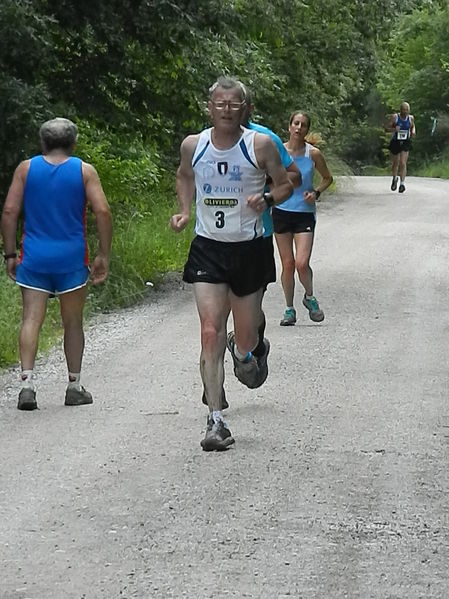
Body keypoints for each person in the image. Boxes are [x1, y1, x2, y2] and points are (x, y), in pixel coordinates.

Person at [170, 76, 293, 451]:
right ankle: (216, 421)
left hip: (249, 250)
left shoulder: (260, 145)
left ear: (245, 108)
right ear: (209, 108)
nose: (226, 110)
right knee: (209, 330)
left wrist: (268, 199)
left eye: (233, 104)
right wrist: (184, 211)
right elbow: (184, 175)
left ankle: (248, 350)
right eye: (219, 104)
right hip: (208, 247)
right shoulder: (194, 145)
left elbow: (285, 183)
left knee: (243, 337)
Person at [1, 117, 112, 411]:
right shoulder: (84, 171)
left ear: (43, 142)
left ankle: (27, 384)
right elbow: (102, 210)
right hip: (71, 258)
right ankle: (74, 385)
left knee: (31, 319)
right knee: (72, 322)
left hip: (34, 256)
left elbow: (10, 211)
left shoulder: (26, 169)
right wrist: (103, 253)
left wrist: (10, 254)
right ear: (73, 143)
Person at [273, 110, 333, 326]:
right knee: (287, 264)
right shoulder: (278, 152)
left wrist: (315, 192)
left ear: (307, 129)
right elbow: (267, 177)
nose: (299, 128)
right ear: (289, 126)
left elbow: (328, 178)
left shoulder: (313, 154)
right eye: (296, 123)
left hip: (304, 214)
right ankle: (289, 309)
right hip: (281, 211)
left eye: (303, 125)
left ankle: (309, 296)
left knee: (301, 262)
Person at [385, 101, 416, 193]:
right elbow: (386, 128)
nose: (405, 112)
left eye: (407, 110)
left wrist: (413, 132)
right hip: (395, 141)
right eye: (404, 110)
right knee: (395, 163)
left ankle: (402, 184)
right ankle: (395, 179)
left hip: (406, 141)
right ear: (401, 110)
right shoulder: (395, 117)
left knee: (403, 162)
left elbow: (413, 126)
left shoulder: (410, 118)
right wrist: (394, 129)